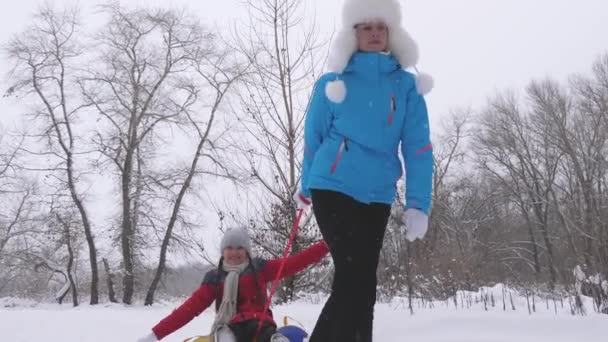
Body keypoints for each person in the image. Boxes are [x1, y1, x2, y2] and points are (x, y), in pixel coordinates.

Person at [292, 0, 434, 341]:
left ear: (390, 34)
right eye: (366, 27)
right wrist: (305, 186)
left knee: (363, 282)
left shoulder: (407, 88)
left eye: (380, 27)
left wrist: (418, 204)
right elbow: (314, 137)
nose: (374, 33)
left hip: (377, 194)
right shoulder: (333, 82)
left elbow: (418, 149)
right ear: (353, 34)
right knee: (354, 274)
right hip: (333, 186)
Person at [136, 227, 329, 342]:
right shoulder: (216, 278)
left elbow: (296, 262)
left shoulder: (260, 269)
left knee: (267, 335)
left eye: (239, 248)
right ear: (222, 251)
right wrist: (155, 335)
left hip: (260, 323)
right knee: (226, 337)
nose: (234, 252)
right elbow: (188, 310)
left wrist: (327, 244)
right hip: (230, 326)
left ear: (246, 251)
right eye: (229, 247)